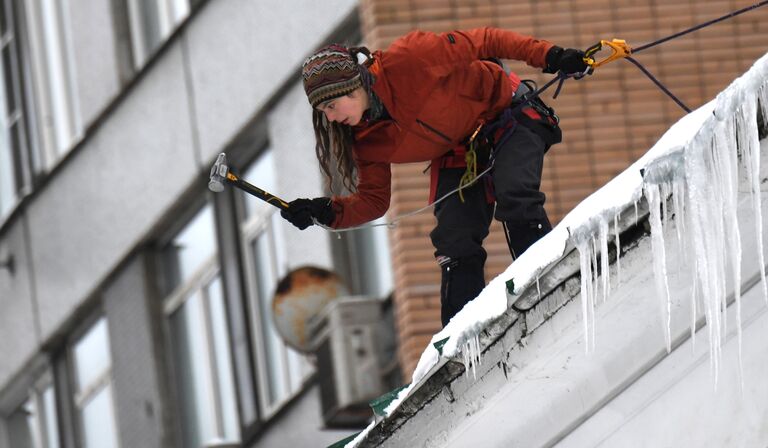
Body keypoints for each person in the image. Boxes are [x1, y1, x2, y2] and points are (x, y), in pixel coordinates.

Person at [281, 28, 588, 327]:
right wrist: (326, 212)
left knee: (515, 193)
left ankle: (552, 280)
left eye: (331, 106)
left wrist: (550, 55)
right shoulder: (364, 139)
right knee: (454, 237)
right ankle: (463, 342)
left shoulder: (409, 58)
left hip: (508, 113)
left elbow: (487, 40)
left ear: (352, 86)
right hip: (459, 149)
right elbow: (374, 201)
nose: (330, 118)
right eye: (323, 112)